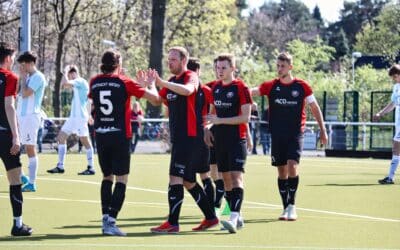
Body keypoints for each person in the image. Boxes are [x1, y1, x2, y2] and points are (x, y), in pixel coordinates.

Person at [89, 49, 160, 236]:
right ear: (118, 64)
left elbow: (94, 106)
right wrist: (150, 85)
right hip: (120, 136)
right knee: (122, 179)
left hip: (101, 135)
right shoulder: (124, 82)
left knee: (106, 177)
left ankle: (105, 218)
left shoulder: (94, 82)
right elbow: (155, 100)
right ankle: (111, 222)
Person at [149, 46, 219, 234]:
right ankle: (211, 217)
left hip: (190, 137)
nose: (169, 62)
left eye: (173, 59)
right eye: (168, 59)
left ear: (183, 61)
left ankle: (172, 223)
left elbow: (188, 91)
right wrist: (148, 85)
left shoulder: (190, 77)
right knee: (188, 181)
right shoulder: (172, 81)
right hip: (181, 138)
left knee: (175, 178)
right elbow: (157, 100)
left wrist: (161, 81)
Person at [251, 52, 328, 221]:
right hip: (277, 134)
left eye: (283, 66)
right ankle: (285, 207)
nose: (279, 69)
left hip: (295, 133)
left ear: (290, 67)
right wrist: (246, 98)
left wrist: (323, 130)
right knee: (281, 171)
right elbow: (250, 92)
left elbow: (315, 108)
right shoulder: (270, 85)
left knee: (292, 166)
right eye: (277, 66)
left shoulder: (302, 86)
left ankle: (292, 206)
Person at [204, 53, 252, 233]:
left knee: (236, 176)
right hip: (220, 140)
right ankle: (237, 216)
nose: (220, 71)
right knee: (225, 179)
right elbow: (211, 115)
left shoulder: (241, 88)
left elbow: (245, 117)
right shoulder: (215, 88)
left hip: (236, 139)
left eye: (224, 67)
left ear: (233, 68)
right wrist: (207, 128)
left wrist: (220, 121)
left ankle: (233, 217)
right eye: (217, 67)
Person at [0, 42, 33, 236]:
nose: (13, 61)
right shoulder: (10, 77)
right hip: (5, 135)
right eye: (12, 57)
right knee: (15, 181)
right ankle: (17, 225)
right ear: (6, 58)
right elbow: (9, 106)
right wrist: (16, 136)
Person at [47, 65, 95, 175]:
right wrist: (89, 115)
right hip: (74, 117)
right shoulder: (79, 85)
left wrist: (65, 70)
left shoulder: (80, 81)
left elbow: (65, 84)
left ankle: (91, 167)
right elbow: (88, 102)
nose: (69, 77)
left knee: (85, 141)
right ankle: (60, 166)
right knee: (61, 137)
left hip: (79, 118)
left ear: (73, 73)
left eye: (70, 75)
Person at [16, 51, 48, 192]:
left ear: (30, 63)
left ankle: (32, 182)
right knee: (14, 146)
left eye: (23, 65)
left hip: (30, 117)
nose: (22, 68)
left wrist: (22, 78)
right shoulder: (28, 77)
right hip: (21, 116)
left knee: (30, 148)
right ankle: (22, 176)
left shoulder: (38, 77)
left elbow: (26, 93)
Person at [373, 64, 400, 184]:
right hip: (398, 120)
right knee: (396, 148)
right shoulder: (396, 87)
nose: (393, 79)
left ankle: (390, 177)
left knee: (396, 147)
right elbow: (393, 104)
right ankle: (390, 177)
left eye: (395, 77)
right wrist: (380, 113)